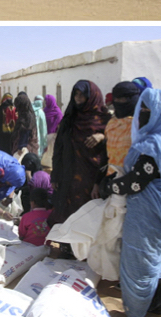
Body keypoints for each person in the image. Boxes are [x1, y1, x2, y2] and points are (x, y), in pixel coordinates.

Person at [101, 88, 161, 317]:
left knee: (140, 262)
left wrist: (110, 187)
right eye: (143, 110)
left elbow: (138, 181)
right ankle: (155, 306)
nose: (143, 116)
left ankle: (140, 309)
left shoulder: (156, 144)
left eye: (149, 111)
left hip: (147, 214)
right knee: (154, 260)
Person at [49, 80, 110, 229]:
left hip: (93, 179)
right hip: (69, 177)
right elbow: (59, 148)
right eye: (76, 94)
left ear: (92, 96)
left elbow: (113, 148)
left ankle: (85, 251)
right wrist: (55, 174)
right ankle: (68, 248)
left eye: (82, 95)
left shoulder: (105, 120)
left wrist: (102, 138)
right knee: (68, 214)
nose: (78, 98)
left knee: (90, 216)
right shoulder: (70, 119)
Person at [104, 81, 142, 179]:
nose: (119, 102)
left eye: (123, 99)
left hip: (134, 181)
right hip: (112, 180)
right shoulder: (112, 123)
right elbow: (106, 156)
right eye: (116, 99)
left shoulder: (141, 125)